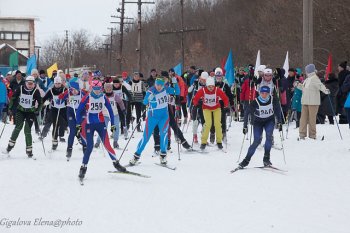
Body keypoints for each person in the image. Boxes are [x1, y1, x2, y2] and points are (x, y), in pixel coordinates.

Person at [76, 80, 126, 180]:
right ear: (91, 88)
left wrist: (112, 124)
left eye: (99, 89)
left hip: (101, 123)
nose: (97, 91)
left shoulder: (103, 97)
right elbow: (79, 111)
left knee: (107, 144)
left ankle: (116, 163)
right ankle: (83, 167)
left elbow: (111, 111)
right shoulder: (87, 97)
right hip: (89, 124)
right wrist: (78, 125)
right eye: (95, 89)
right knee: (89, 147)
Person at [129, 77, 180, 166]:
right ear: (155, 84)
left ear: (163, 85)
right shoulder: (151, 91)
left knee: (164, 135)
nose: (159, 87)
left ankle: (163, 155)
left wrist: (175, 84)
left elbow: (177, 92)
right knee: (146, 137)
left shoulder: (166, 89)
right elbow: (144, 102)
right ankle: (136, 156)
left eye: (161, 85)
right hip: (153, 117)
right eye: (157, 85)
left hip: (164, 116)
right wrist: (149, 98)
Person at [238, 86, 282, 168]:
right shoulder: (255, 102)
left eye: (266, 93)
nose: (264, 95)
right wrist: (245, 126)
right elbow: (247, 112)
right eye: (262, 93)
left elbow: (278, 110)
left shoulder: (273, 100)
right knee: (256, 141)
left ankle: (266, 158)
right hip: (258, 122)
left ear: (269, 93)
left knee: (269, 136)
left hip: (269, 121)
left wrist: (279, 122)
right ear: (259, 93)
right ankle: (246, 160)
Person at [5, 76, 42, 158]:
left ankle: (29, 150)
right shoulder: (20, 88)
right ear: (25, 83)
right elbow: (13, 98)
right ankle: (9, 146)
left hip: (30, 112)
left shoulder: (36, 91)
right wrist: (10, 107)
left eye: (31, 84)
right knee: (18, 127)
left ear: (34, 84)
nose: (30, 85)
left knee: (27, 130)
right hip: (20, 111)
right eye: (28, 83)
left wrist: (37, 110)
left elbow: (40, 102)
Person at [193, 76, 229, 150]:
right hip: (206, 108)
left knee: (217, 124)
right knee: (208, 123)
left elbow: (225, 98)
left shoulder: (217, 90)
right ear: (206, 86)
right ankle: (203, 142)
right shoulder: (203, 90)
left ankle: (219, 141)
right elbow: (196, 98)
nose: (211, 88)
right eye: (209, 87)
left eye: (212, 86)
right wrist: (196, 104)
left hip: (216, 108)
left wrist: (226, 105)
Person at [298, 64, 330, 140]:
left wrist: (326, 90)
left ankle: (312, 135)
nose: (305, 72)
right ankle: (302, 134)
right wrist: (298, 85)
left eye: (306, 70)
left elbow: (320, 85)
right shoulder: (307, 79)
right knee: (303, 118)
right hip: (305, 101)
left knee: (312, 119)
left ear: (309, 70)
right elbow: (304, 88)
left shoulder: (315, 78)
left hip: (313, 102)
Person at [58, 81, 87, 160]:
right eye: (72, 89)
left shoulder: (82, 93)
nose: (73, 91)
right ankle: (69, 149)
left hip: (81, 113)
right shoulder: (68, 93)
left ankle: (85, 148)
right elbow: (60, 98)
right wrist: (60, 99)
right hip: (71, 113)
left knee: (81, 130)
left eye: (75, 90)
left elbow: (90, 99)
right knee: (73, 131)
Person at [94, 82, 126, 149]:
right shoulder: (102, 96)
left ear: (112, 89)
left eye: (110, 89)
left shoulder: (115, 95)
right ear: (105, 90)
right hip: (105, 115)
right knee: (102, 128)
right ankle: (98, 142)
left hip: (114, 115)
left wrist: (123, 109)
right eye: (107, 89)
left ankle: (115, 142)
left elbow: (120, 102)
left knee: (115, 128)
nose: (108, 90)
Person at [42, 76, 68, 149]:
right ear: (54, 83)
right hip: (54, 109)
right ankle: (54, 141)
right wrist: (42, 103)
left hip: (63, 109)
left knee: (63, 123)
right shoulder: (51, 90)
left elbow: (70, 96)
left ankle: (61, 134)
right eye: (56, 83)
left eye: (59, 83)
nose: (57, 85)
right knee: (55, 125)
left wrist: (70, 99)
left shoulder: (65, 89)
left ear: (61, 83)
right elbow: (44, 98)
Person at [188, 71, 207, 143]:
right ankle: (195, 136)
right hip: (195, 103)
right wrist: (193, 86)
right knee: (195, 120)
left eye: (205, 80)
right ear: (200, 78)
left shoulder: (207, 84)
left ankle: (203, 136)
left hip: (204, 104)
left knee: (204, 121)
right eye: (202, 80)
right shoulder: (196, 82)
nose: (203, 82)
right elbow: (189, 91)